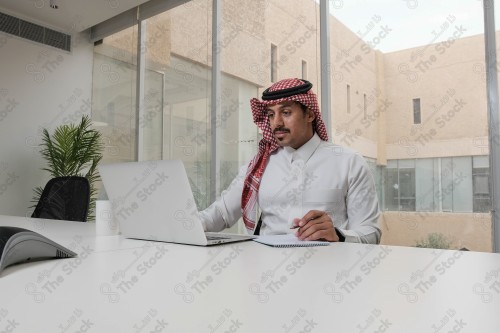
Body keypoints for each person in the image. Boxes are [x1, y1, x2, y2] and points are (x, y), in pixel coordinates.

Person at [199, 78, 381, 243]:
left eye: (285, 112)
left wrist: (338, 235)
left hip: (327, 270)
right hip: (265, 272)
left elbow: (371, 233)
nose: (276, 123)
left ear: (309, 115)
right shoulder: (259, 165)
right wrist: (183, 223)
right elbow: (220, 215)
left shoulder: (349, 163)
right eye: (271, 115)